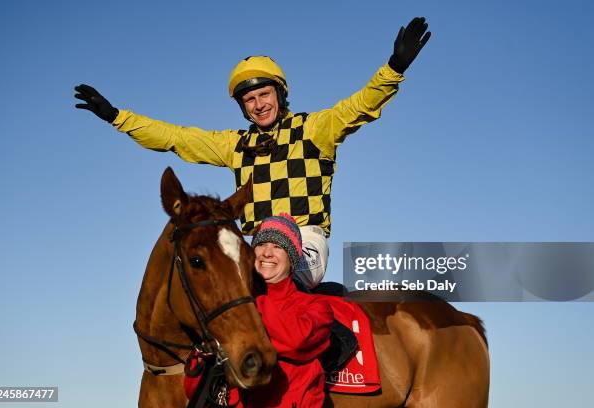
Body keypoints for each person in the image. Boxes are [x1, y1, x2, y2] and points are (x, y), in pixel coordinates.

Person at [74, 17, 431, 289]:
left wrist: (394, 68)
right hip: (252, 242)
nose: (259, 105)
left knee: (270, 270)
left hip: (304, 240)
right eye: (249, 100)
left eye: (264, 95)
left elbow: (359, 106)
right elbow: (176, 137)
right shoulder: (235, 145)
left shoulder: (315, 129)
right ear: (243, 108)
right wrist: (118, 117)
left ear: (280, 94)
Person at [248, 213, 334, 407]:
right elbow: (192, 385)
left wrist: (249, 302)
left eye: (278, 246)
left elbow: (296, 341)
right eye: (261, 244)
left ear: (292, 258)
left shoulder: (316, 307)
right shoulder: (230, 303)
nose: (267, 253)